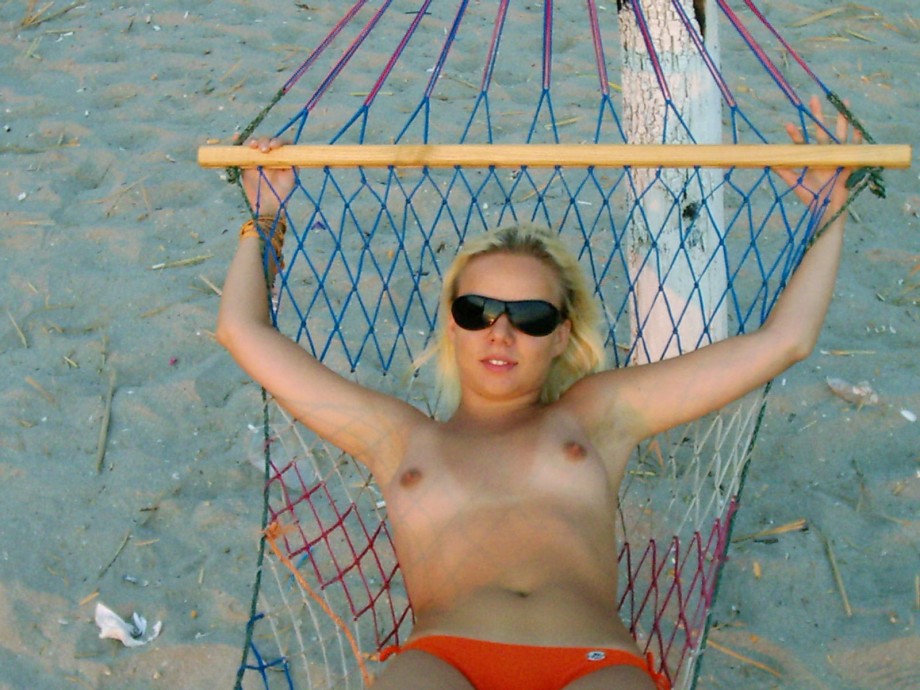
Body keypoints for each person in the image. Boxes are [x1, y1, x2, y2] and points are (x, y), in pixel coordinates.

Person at [216, 97, 861, 690]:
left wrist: (831, 213)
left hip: (591, 664)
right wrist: (265, 217)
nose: (501, 332)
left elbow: (785, 341)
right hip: (442, 662)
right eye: (477, 310)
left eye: (529, 316)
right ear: (451, 324)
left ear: (561, 336)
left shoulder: (599, 415)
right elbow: (240, 330)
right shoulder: (399, 435)